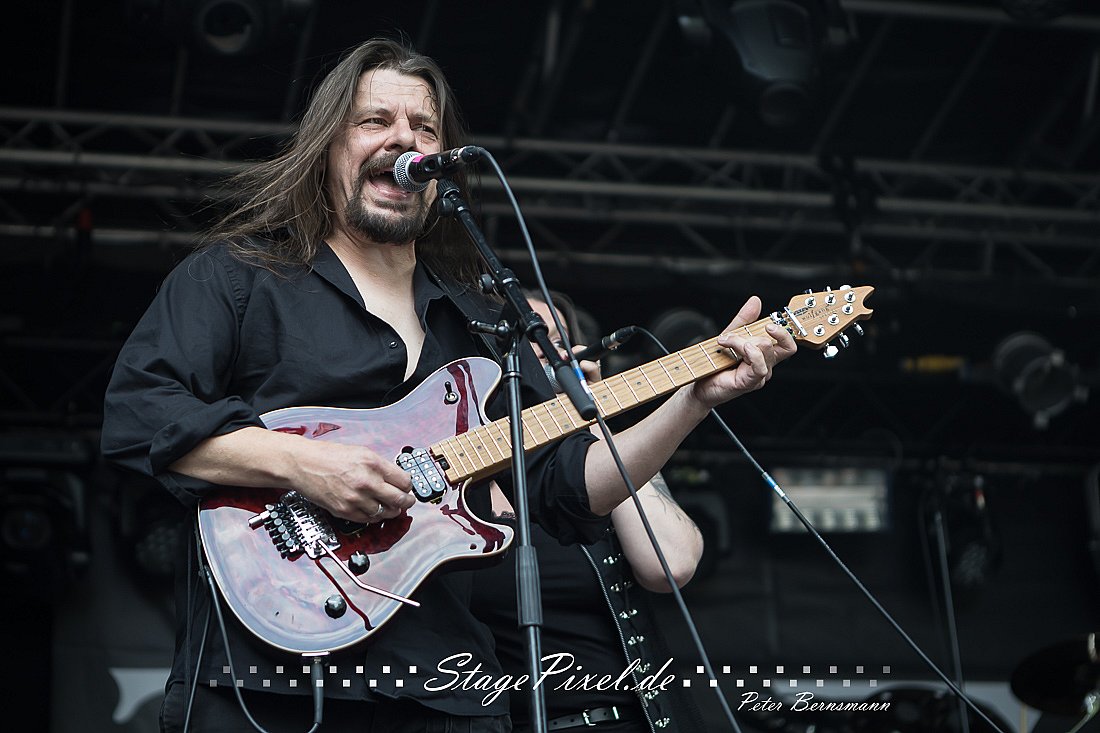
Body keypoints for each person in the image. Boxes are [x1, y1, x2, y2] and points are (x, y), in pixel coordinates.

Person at [100, 37, 795, 733]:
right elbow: (140, 414)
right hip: (267, 677)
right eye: (375, 121)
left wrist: (693, 398)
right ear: (329, 146)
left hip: (443, 690)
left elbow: (568, 485)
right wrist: (303, 463)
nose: (404, 139)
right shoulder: (240, 277)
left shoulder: (485, 321)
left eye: (424, 128)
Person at [471, 291, 707, 733]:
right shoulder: (446, 480)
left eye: (555, 339)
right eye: (526, 336)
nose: (544, 349)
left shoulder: (598, 462)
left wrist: (593, 419)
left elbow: (670, 564)